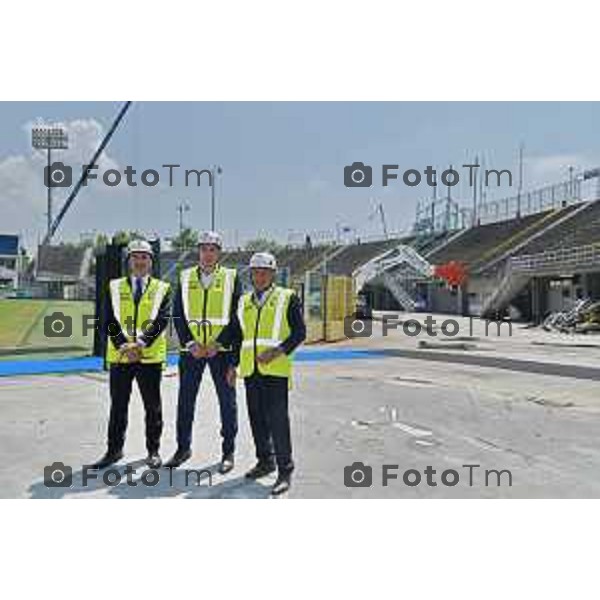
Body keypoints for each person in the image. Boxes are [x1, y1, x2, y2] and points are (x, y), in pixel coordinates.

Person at [225, 251, 306, 496]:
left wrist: (278, 351)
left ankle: (284, 470)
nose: (259, 277)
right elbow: (238, 337)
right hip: (251, 370)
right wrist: (232, 365)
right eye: (256, 272)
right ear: (250, 275)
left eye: (264, 272)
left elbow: (299, 333)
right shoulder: (243, 302)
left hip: (275, 371)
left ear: (273, 274)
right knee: (257, 419)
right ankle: (265, 461)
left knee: (278, 421)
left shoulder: (287, 297)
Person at [165, 231, 241, 473]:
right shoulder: (185, 277)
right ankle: (182, 448)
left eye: (213, 249)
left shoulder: (231, 277)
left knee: (227, 403)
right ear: (198, 251)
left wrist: (218, 344)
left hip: (222, 351)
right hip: (192, 352)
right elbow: (178, 313)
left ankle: (228, 452)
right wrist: (190, 344)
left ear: (219, 253)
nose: (208, 254)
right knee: (185, 401)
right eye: (204, 249)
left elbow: (237, 316)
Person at [92, 239, 171, 469]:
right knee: (118, 406)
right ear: (129, 261)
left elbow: (162, 320)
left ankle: (153, 451)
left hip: (149, 358)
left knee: (152, 407)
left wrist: (140, 345)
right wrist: (123, 346)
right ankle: (113, 451)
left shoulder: (162, 288)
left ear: (151, 262)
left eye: (144, 257)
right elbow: (107, 319)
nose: (139, 261)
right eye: (135, 257)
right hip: (120, 357)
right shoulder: (114, 286)